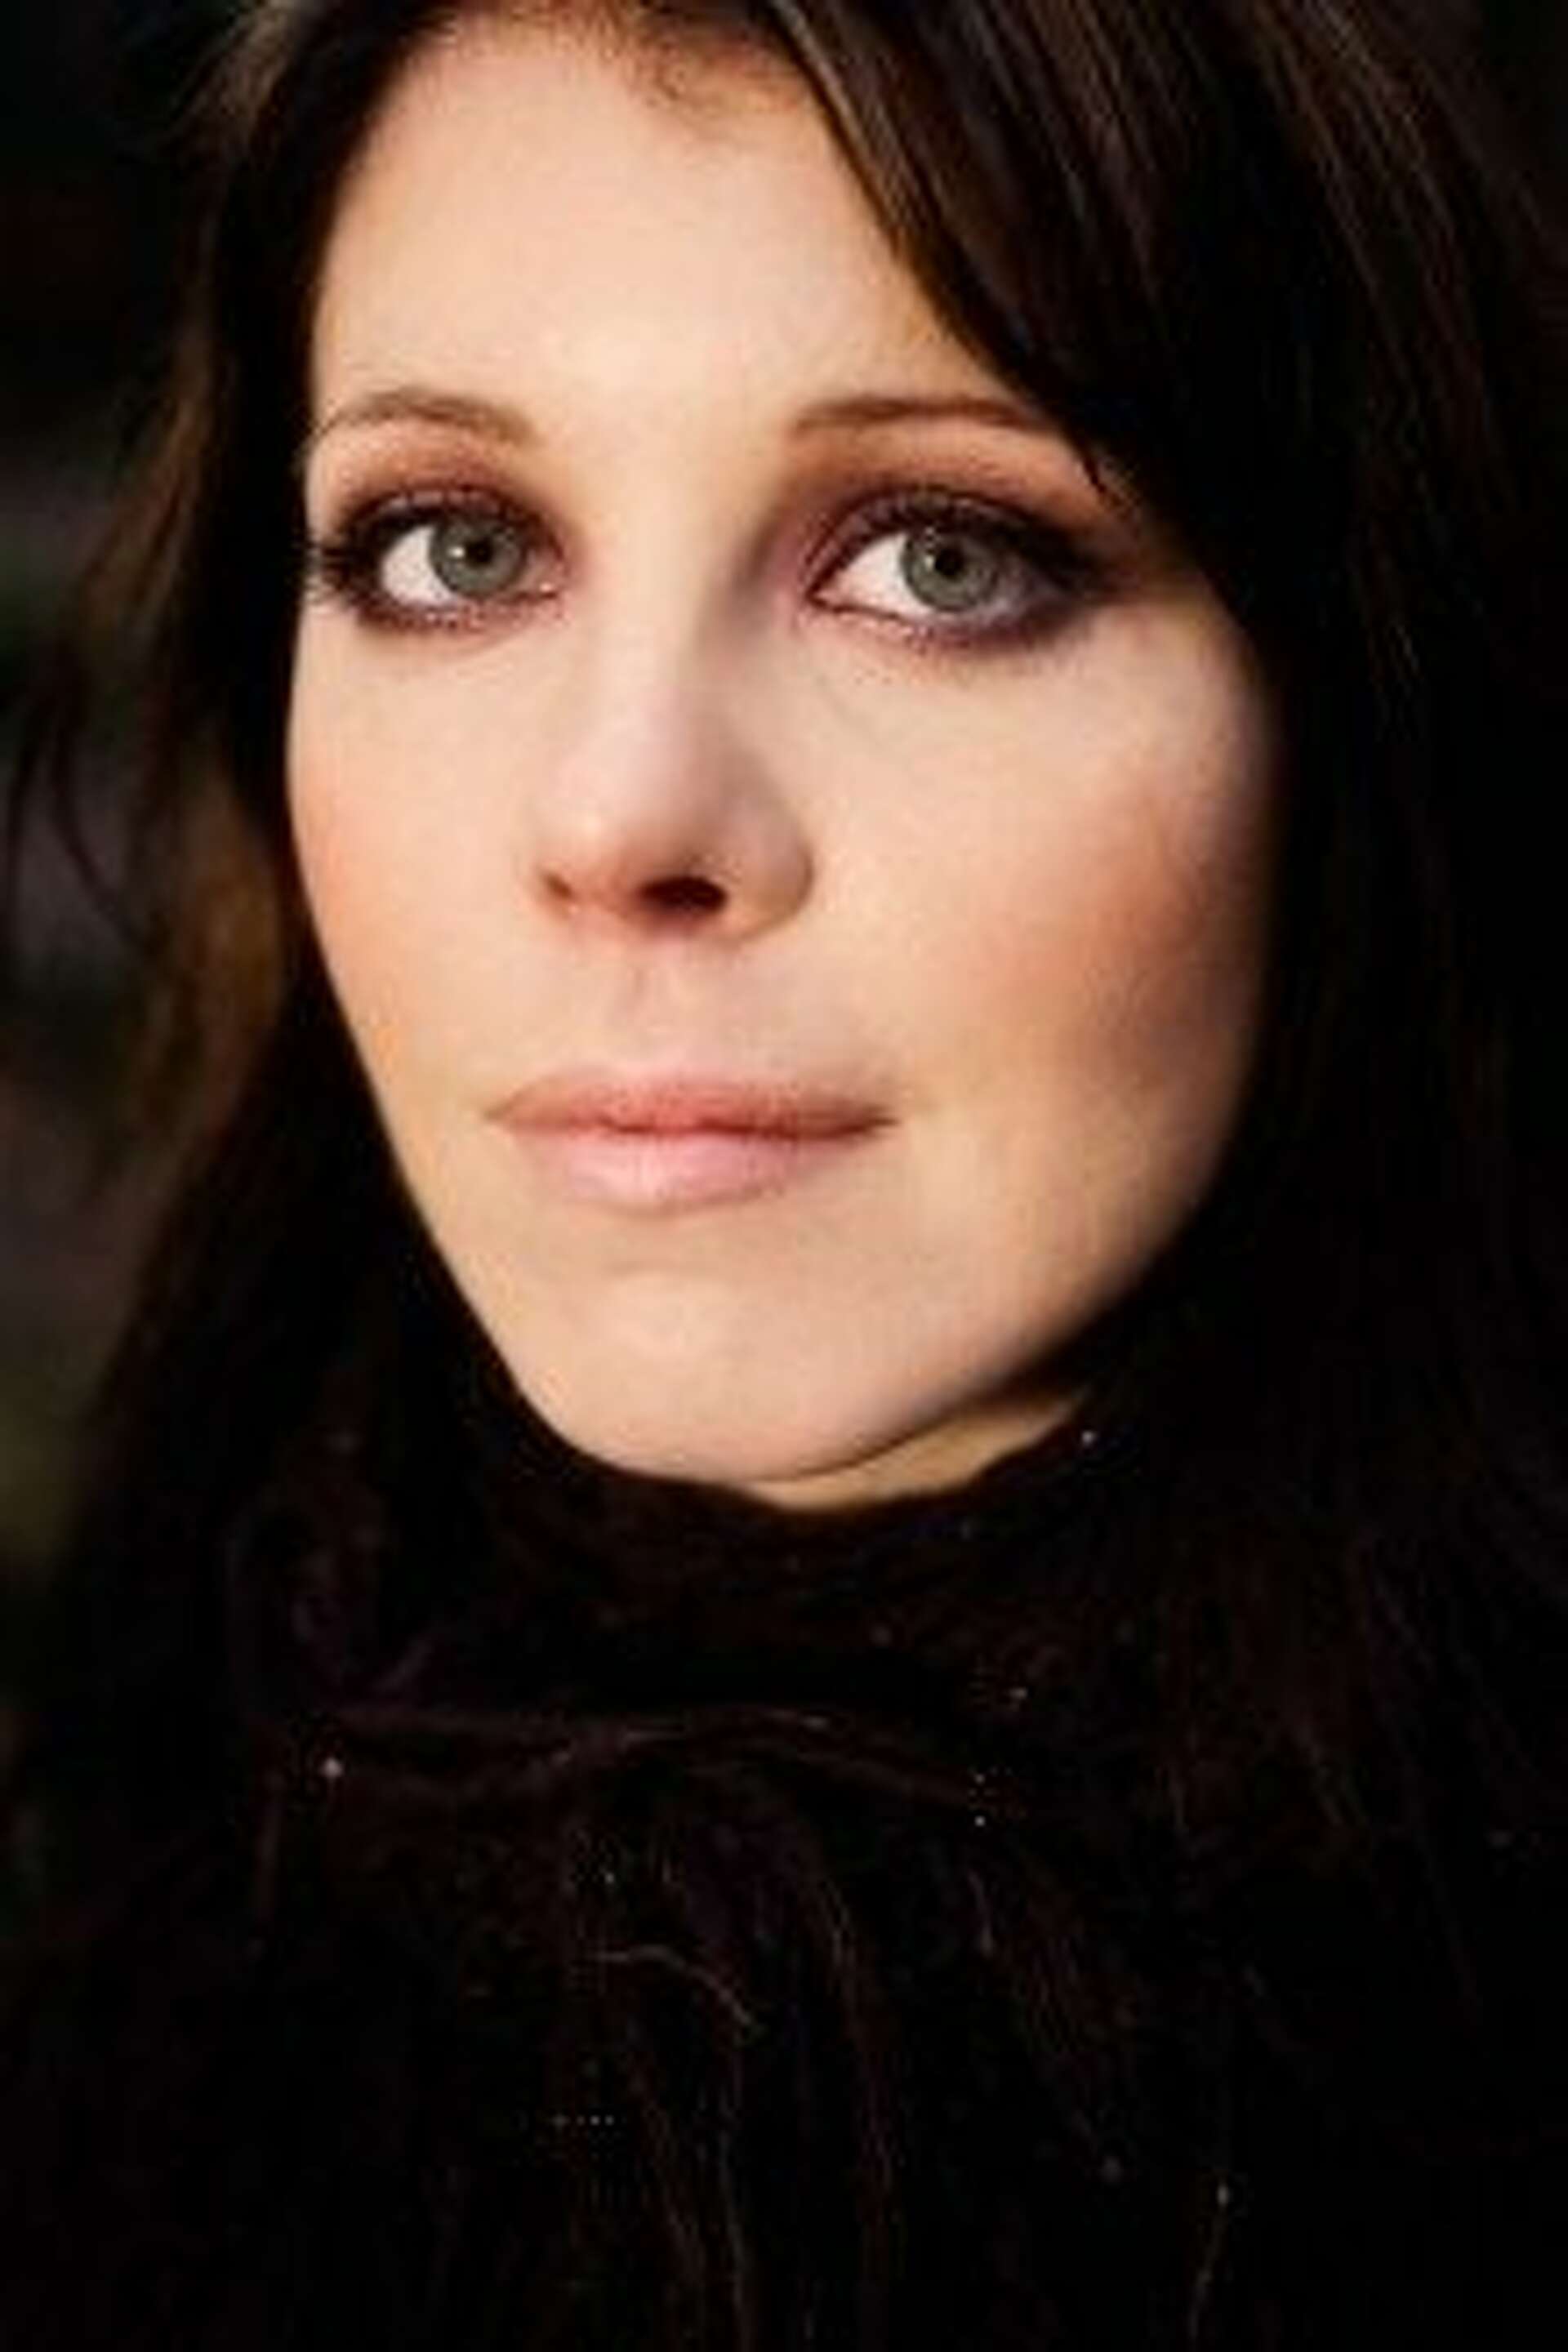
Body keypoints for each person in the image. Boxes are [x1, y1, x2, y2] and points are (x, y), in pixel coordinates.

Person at [3, 0, 1567, 2343]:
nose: (620, 813)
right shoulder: (176, 1780)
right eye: (454, 546)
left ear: (1365, 701)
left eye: (943, 559)